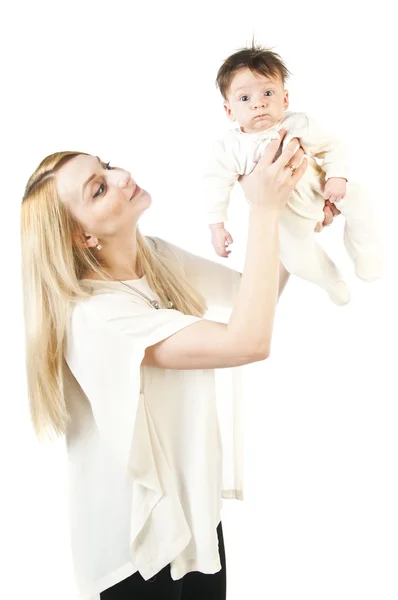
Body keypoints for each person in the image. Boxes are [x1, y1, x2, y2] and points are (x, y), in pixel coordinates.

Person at [20, 132, 338, 600]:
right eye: (99, 188)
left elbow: (258, 296)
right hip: (138, 548)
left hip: (196, 517)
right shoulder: (94, 316)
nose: (121, 176)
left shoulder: (156, 257)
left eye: (106, 166)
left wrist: (295, 218)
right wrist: (263, 211)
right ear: (82, 236)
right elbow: (248, 341)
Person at [204, 44, 382, 305]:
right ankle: (330, 279)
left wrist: (336, 176)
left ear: (284, 99)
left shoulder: (297, 124)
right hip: (284, 218)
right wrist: (216, 226)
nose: (259, 103)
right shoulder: (228, 148)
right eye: (245, 98)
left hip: (321, 190)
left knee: (361, 198)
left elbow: (332, 146)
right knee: (296, 258)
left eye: (267, 93)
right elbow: (214, 185)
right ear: (229, 110)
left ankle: (366, 253)